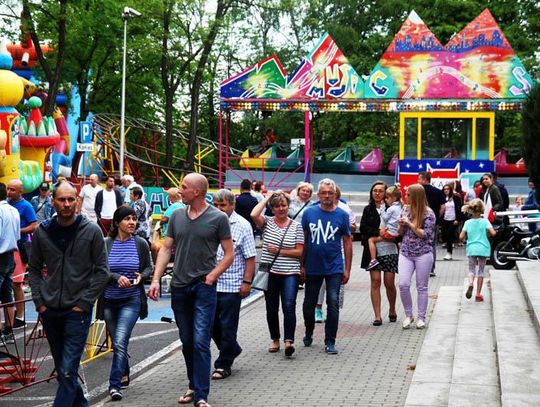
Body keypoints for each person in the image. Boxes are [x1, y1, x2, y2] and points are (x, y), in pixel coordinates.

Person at [148, 173, 233, 407]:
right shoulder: (176, 215)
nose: (180, 189)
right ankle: (193, 386)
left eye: (184, 187)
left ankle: (202, 395)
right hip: (179, 287)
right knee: (187, 340)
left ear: (196, 192)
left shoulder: (218, 218)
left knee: (200, 341)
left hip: (203, 287)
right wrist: (155, 279)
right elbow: (166, 249)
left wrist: (212, 275)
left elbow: (229, 253)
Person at [28, 181, 110, 407]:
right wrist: (40, 302)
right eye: (62, 199)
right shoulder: (42, 232)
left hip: (77, 311)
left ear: (77, 201)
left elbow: (102, 271)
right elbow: (33, 269)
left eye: (71, 199)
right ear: (53, 201)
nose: (66, 204)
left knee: (66, 370)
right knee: (66, 372)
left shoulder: (91, 231)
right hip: (50, 310)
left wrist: (84, 302)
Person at [101, 206, 153, 401]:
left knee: (121, 341)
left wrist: (143, 275)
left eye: (134, 219)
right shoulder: (106, 244)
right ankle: (124, 370)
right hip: (109, 300)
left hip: (131, 300)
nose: (132, 222)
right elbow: (99, 269)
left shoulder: (140, 243)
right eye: (127, 219)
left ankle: (114, 386)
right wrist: (115, 277)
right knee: (117, 343)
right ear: (117, 223)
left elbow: (149, 267)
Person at [301, 179, 352, 354]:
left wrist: (347, 269)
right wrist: (301, 265)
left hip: (334, 267)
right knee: (309, 304)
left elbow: (347, 243)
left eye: (330, 193)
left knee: (333, 302)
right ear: (318, 194)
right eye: (324, 193)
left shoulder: (342, 215)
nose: (327, 196)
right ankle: (309, 330)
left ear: (335, 194)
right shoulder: (309, 213)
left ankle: (330, 340)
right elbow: (304, 240)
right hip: (313, 266)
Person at [251, 191, 304, 357]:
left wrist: (280, 251)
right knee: (271, 308)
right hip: (270, 270)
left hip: (290, 272)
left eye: (284, 205)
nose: (281, 208)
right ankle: (275, 338)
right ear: (272, 208)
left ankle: (289, 341)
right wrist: (268, 196)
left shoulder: (296, 226)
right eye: (277, 206)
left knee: (289, 305)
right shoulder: (267, 222)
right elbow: (253, 214)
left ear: (288, 206)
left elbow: (299, 252)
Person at [211, 189, 256, 380]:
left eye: (223, 205)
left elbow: (250, 257)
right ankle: (232, 349)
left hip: (231, 284)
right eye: (217, 205)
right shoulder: (208, 221)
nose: (220, 209)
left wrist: (246, 282)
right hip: (210, 282)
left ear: (232, 205)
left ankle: (224, 364)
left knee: (228, 325)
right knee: (211, 324)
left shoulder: (242, 225)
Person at [398, 184, 436, 329]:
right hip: (406, 252)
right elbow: (400, 233)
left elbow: (426, 235)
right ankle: (409, 315)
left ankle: (421, 317)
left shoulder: (429, 213)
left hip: (423, 253)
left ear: (415, 196)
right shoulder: (404, 209)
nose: (405, 197)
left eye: (408, 195)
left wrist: (410, 224)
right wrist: (401, 225)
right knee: (403, 284)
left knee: (422, 287)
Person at [360, 181, 398, 326]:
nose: (377, 193)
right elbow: (363, 228)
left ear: (386, 193)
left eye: (380, 191)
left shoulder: (392, 209)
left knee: (389, 282)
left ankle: (392, 309)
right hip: (372, 251)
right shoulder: (367, 209)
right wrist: (378, 232)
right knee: (375, 281)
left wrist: (392, 235)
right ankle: (377, 315)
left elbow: (398, 227)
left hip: (389, 249)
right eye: (374, 190)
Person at [7, 179, 37, 328]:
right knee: (7, 282)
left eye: (13, 189)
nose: (9, 192)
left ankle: (20, 316)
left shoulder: (26, 206)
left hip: (19, 247)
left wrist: (18, 231)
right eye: (8, 189)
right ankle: (10, 317)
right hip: (7, 248)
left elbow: (33, 225)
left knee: (16, 283)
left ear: (21, 191)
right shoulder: (6, 204)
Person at [459, 199, 496, 302]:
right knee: (481, 270)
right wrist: (489, 232)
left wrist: (467, 236)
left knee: (471, 269)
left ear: (471, 210)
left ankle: (470, 283)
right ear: (482, 210)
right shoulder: (485, 221)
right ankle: (478, 294)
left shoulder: (467, 222)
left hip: (471, 248)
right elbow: (493, 233)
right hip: (483, 248)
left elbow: (461, 236)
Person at [0, 182, 20, 345]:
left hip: (0, 254)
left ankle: (1, 333)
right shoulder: (14, 211)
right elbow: (17, 235)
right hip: (10, 255)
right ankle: (9, 330)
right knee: (7, 293)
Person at [366, 185, 402, 271]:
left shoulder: (390, 208)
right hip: (395, 233)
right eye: (374, 191)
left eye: (387, 197)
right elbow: (364, 227)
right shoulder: (400, 207)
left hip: (389, 234)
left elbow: (385, 218)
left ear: (393, 198)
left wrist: (382, 210)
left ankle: (373, 259)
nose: (386, 199)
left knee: (371, 240)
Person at [418, 171, 445, 277]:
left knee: (419, 244)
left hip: (419, 221)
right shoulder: (438, 191)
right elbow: (443, 207)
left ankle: (420, 267)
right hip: (433, 222)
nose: (418, 181)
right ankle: (431, 269)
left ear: (424, 179)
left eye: (419, 178)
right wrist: (436, 216)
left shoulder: (418, 191)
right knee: (431, 245)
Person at [441, 183, 463, 261]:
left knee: (450, 235)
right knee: (444, 235)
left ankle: (449, 252)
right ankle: (448, 247)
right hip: (445, 219)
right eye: (444, 189)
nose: (446, 190)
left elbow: (459, 209)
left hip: (453, 219)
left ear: (450, 190)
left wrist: (457, 219)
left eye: (447, 189)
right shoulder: (442, 198)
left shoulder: (456, 198)